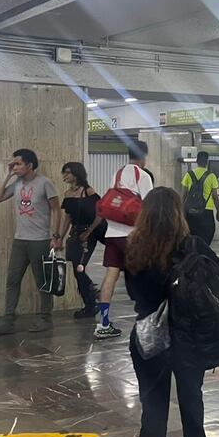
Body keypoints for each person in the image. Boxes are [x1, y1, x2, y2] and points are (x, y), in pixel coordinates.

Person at [125, 187, 219, 437]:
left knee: (153, 416)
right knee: (191, 397)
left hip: (149, 337)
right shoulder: (191, 246)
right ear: (178, 214)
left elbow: (134, 294)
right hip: (186, 337)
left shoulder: (136, 249)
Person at [0, 149, 62, 335]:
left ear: (30, 165)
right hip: (20, 240)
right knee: (12, 280)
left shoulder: (45, 183)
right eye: (13, 164)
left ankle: (45, 318)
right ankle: (8, 320)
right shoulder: (17, 184)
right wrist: (7, 176)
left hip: (40, 240)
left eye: (18, 164)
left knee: (42, 281)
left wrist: (56, 236)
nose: (14, 167)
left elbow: (56, 210)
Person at [97, 140, 154, 340]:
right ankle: (148, 323)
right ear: (144, 156)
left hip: (112, 234)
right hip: (132, 235)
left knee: (110, 277)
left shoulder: (117, 174)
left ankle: (103, 323)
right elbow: (149, 207)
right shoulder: (142, 175)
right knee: (143, 277)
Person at [56, 161, 105, 319]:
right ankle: (90, 302)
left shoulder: (88, 191)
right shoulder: (68, 194)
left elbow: (100, 213)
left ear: (76, 174)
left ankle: (92, 296)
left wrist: (90, 231)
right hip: (75, 234)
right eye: (64, 173)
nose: (65, 176)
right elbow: (67, 218)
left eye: (68, 172)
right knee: (77, 270)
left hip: (89, 234)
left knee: (80, 268)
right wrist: (60, 237)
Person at [180, 151, 219, 245]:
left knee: (192, 238)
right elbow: (215, 196)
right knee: (207, 237)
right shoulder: (211, 176)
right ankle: (203, 255)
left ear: (197, 161)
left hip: (191, 212)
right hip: (206, 212)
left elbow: (184, 195)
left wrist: (181, 211)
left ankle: (193, 255)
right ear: (207, 161)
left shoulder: (188, 175)